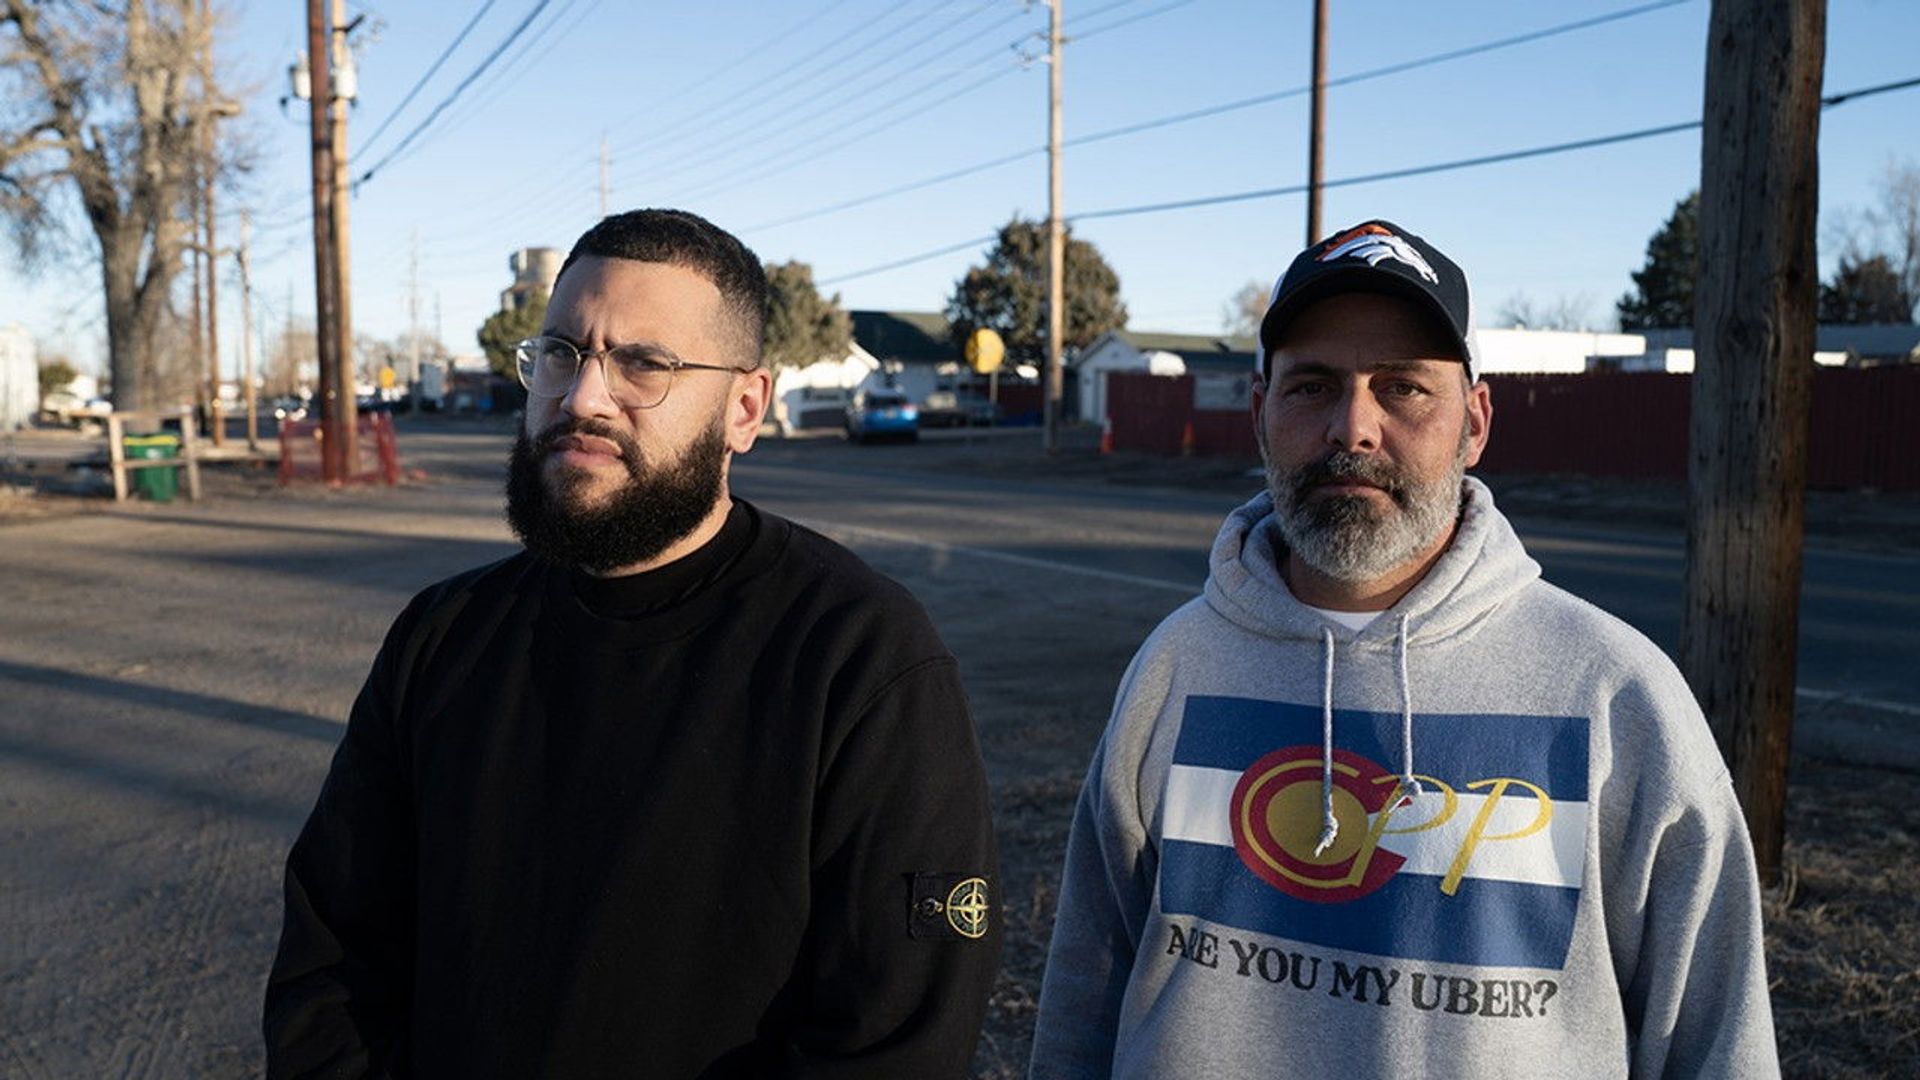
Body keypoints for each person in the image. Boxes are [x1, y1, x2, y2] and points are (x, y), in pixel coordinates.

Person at [1028, 220, 1777, 1078]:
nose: (1353, 427)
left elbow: (1716, 1042)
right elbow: (1087, 988)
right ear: (1260, 415)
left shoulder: (1614, 692)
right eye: (1312, 386)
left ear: (1475, 422)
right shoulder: (1177, 665)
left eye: (1404, 387)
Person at [265, 209, 1000, 1078]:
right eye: (561, 354)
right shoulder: (443, 635)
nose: (581, 398)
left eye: (644, 363)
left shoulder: (860, 657)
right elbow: (334, 962)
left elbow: (894, 1043)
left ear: (744, 408)